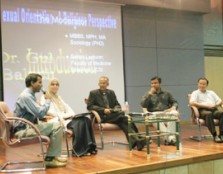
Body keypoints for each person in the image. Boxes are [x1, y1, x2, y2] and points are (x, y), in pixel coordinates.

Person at [13, 73, 67, 168]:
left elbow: (36, 114)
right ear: (32, 83)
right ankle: (50, 159)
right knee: (58, 126)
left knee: (56, 125)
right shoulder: (26, 97)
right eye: (39, 82)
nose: (42, 85)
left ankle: (52, 156)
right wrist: (48, 100)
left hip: (28, 127)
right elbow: (40, 113)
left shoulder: (30, 95)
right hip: (23, 130)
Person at [40, 78, 97, 157]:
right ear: (49, 86)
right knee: (79, 123)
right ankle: (77, 150)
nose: (55, 86)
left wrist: (70, 115)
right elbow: (49, 111)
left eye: (57, 85)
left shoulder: (58, 97)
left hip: (66, 118)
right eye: (52, 84)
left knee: (86, 120)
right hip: (57, 120)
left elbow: (68, 108)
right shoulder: (45, 97)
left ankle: (90, 147)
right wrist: (65, 116)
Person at [87, 76, 146, 151]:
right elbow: (90, 106)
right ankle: (138, 139)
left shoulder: (111, 92)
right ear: (98, 84)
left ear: (107, 84)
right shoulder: (93, 93)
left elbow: (117, 104)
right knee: (126, 118)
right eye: (100, 83)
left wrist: (116, 108)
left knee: (124, 120)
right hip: (102, 116)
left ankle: (136, 141)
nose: (102, 85)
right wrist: (103, 110)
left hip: (113, 115)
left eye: (104, 83)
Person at [141, 76, 179, 145]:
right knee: (153, 117)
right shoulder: (148, 94)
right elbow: (143, 105)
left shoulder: (166, 93)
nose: (153, 85)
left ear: (160, 83)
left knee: (174, 113)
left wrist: (173, 107)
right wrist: (150, 94)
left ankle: (168, 138)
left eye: (155, 83)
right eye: (152, 83)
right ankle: (171, 138)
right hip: (153, 114)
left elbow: (175, 102)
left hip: (165, 112)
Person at [189, 77, 223, 143]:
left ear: (206, 85)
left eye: (204, 84)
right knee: (208, 114)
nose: (202, 85)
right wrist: (206, 106)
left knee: (221, 113)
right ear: (198, 84)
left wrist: (215, 105)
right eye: (200, 83)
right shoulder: (195, 93)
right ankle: (215, 135)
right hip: (202, 110)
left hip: (213, 109)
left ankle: (221, 134)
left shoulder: (211, 92)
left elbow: (220, 101)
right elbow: (192, 102)